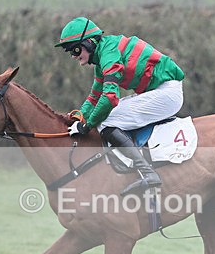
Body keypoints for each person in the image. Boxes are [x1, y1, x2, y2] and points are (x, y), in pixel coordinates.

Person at [55, 17, 185, 195]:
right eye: (69, 52)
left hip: (167, 94)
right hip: (158, 92)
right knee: (103, 116)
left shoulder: (109, 53)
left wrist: (87, 126)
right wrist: (75, 118)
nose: (74, 56)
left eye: (75, 49)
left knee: (107, 120)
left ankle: (147, 172)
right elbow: (94, 98)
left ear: (89, 42)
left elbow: (109, 97)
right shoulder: (102, 58)